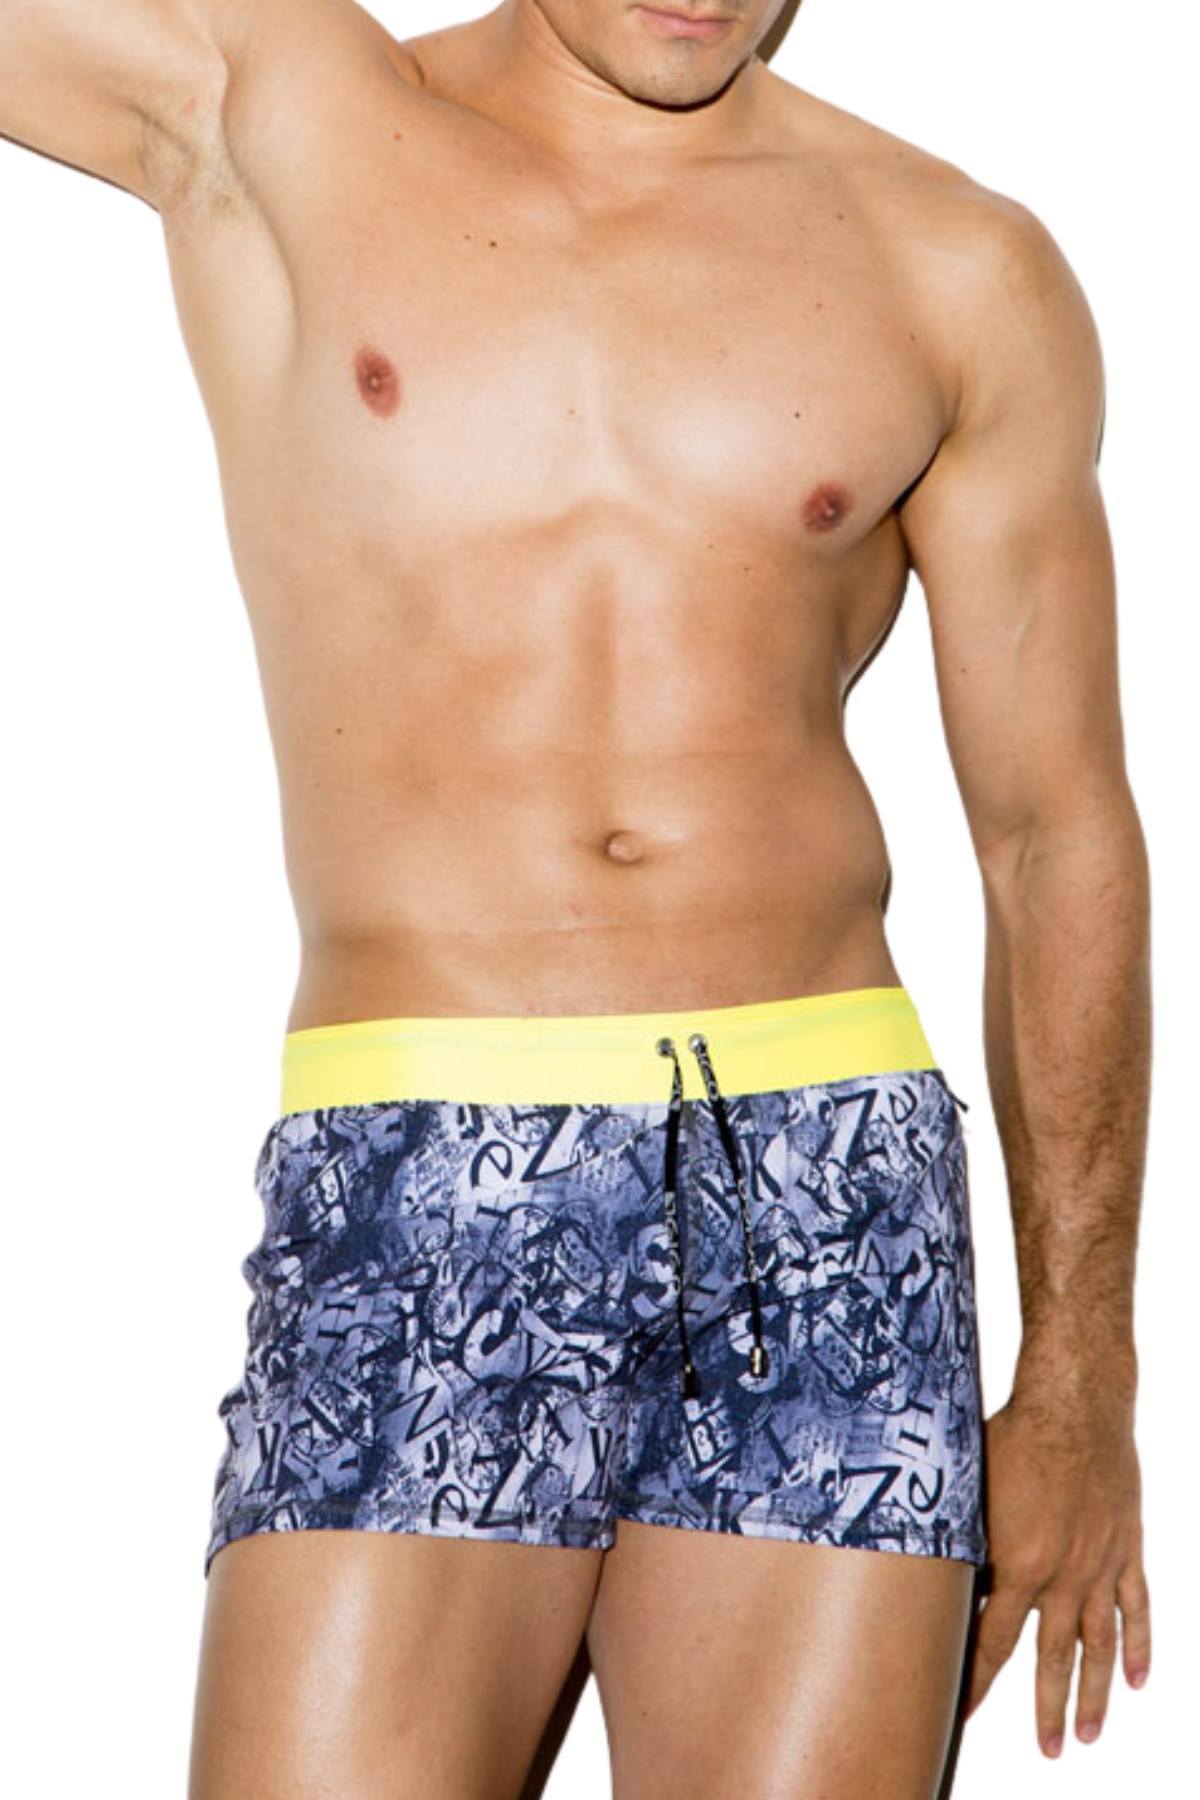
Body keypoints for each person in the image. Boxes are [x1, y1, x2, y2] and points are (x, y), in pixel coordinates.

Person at [1, 1, 1153, 1795]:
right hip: (427, 1160)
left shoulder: (956, 266)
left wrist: (1082, 1376)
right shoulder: (286, 105)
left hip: (821, 1182)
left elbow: (1053, 831)